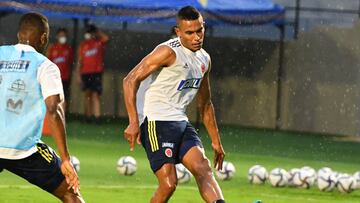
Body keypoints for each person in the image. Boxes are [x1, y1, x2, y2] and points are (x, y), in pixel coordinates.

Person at [123, 6, 226, 203]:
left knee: (203, 168)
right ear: (178, 32)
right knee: (169, 183)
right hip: (155, 122)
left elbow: (205, 104)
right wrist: (133, 122)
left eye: (200, 30)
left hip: (180, 122)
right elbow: (130, 80)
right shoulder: (167, 52)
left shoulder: (204, 59)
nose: (196, 37)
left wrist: (216, 142)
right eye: (189, 32)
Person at [0, 12, 84, 203]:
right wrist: (65, 159)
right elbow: (53, 110)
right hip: (24, 150)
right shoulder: (45, 66)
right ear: (44, 37)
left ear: (19, 35)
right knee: (70, 193)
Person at [75, 24, 109, 122]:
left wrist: (97, 32)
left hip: (96, 72)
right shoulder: (83, 45)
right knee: (87, 94)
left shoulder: (99, 43)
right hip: (85, 72)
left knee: (96, 94)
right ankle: (88, 116)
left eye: (90, 32)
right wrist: (78, 75)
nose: (89, 34)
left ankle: (97, 117)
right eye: (88, 32)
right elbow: (79, 61)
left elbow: (106, 38)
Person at [47, 28, 74, 112]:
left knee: (63, 97)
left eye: (64, 36)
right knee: (53, 96)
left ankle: (62, 116)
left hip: (65, 77)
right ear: (57, 36)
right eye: (61, 35)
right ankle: (52, 115)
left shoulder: (69, 49)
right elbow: (48, 61)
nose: (62, 37)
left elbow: (71, 63)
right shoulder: (52, 48)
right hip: (54, 78)